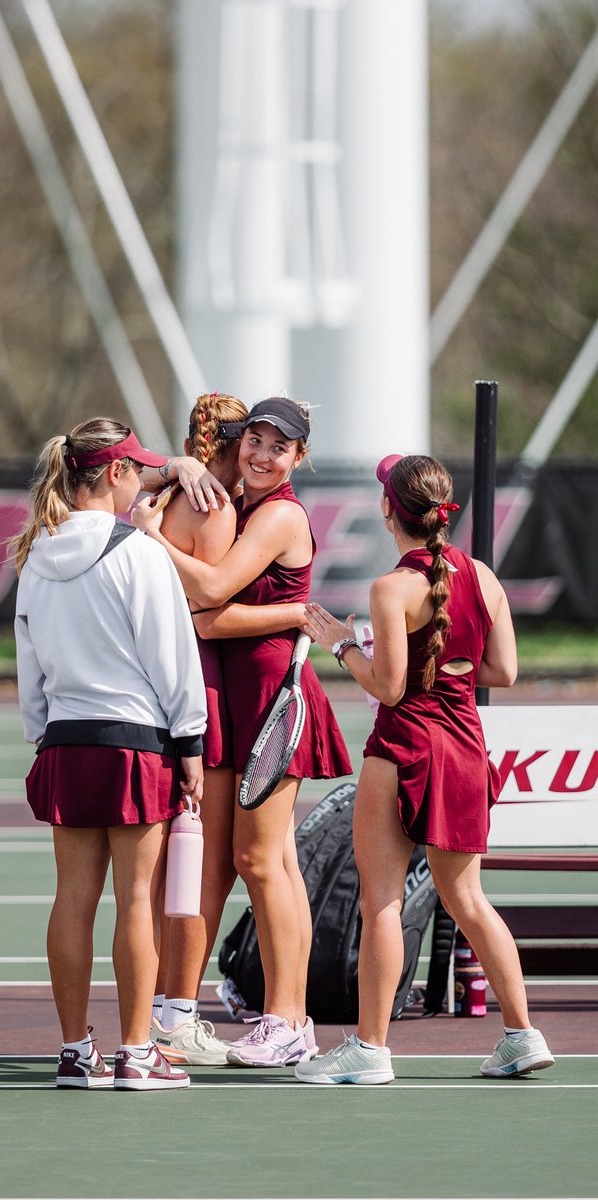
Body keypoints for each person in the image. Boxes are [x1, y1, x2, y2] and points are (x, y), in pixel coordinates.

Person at [295, 452, 554, 1085]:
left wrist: (341, 643)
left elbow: (387, 689)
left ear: (389, 510)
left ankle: (369, 1048)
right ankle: (523, 1033)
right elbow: (504, 672)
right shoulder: (484, 577)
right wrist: (440, 669)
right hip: (466, 748)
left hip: (404, 746)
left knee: (380, 902)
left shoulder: (391, 588)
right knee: (469, 899)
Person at [133, 397, 352, 1067]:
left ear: (298, 459)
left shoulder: (279, 512)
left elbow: (211, 600)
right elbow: (117, 464)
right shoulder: (243, 503)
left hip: (270, 698)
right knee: (256, 861)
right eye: (254, 440)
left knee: (262, 861)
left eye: (277, 447)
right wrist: (172, 469)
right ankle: (272, 1020)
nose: (261, 454)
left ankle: (287, 1020)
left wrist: (148, 538)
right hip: (239, 697)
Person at [12, 419, 208, 1091]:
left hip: (67, 740)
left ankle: (73, 1051)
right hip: (134, 742)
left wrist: (46, 731)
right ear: (119, 474)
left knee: (72, 897)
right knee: (133, 900)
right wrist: (191, 741)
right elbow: (172, 656)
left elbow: (29, 667)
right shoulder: (139, 552)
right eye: (138, 470)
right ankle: (134, 1052)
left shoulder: (35, 552)